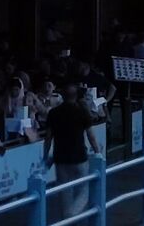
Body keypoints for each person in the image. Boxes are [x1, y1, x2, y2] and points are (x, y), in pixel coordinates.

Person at [43, 84, 98, 217]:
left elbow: (48, 138)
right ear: (76, 96)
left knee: (64, 191)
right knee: (84, 189)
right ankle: (73, 214)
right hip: (79, 156)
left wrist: (45, 157)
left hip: (60, 158)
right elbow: (91, 136)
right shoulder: (82, 111)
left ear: (63, 96)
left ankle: (67, 217)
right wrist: (98, 152)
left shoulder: (53, 113)